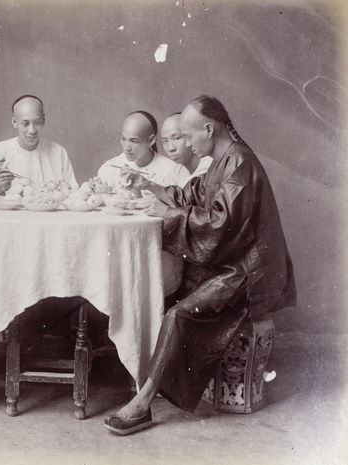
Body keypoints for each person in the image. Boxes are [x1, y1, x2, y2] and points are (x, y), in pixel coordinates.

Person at [104, 95, 296, 435]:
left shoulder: (240, 164)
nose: (187, 144)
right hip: (235, 264)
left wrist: (167, 215)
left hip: (252, 271)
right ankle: (155, 390)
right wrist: (148, 185)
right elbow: (188, 197)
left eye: (189, 136)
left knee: (179, 313)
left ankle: (143, 402)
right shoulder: (223, 160)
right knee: (177, 299)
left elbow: (222, 225)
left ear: (209, 129)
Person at [0, 95, 78, 190]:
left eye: (37, 122)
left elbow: (72, 193)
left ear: (44, 120)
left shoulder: (58, 152)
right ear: (14, 122)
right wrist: (2, 188)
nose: (32, 130)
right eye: (25, 124)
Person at [95, 111, 186, 194]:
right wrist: (92, 189)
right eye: (123, 139)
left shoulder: (170, 170)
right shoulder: (110, 167)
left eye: (134, 141)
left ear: (151, 140)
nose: (127, 147)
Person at [160, 112, 212, 186]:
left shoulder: (209, 163)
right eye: (165, 141)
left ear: (189, 136)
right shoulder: (176, 169)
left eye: (176, 138)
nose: (170, 148)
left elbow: (186, 193)